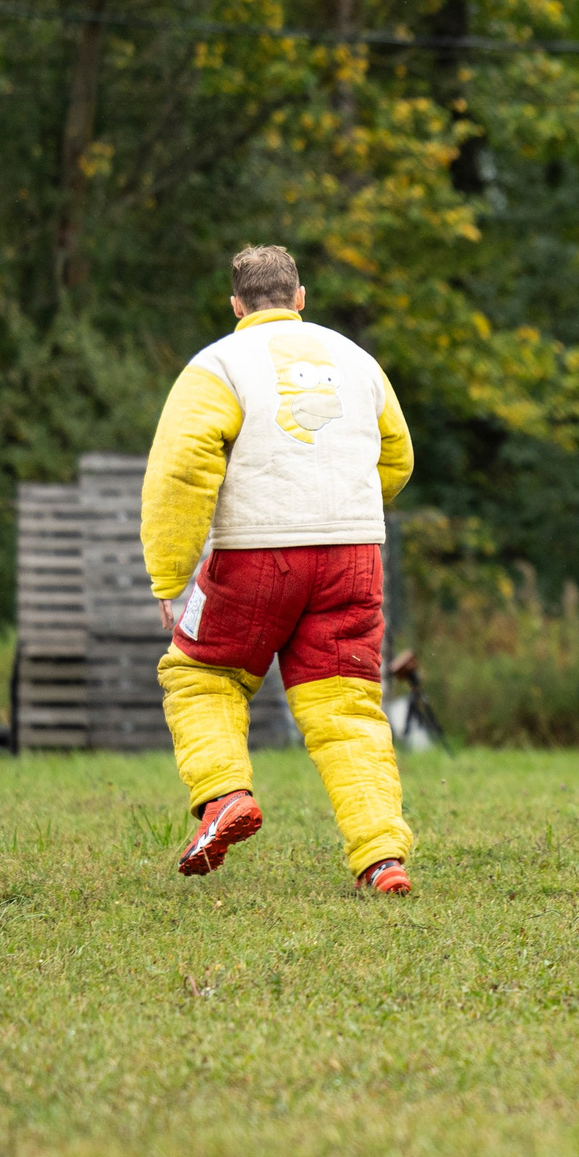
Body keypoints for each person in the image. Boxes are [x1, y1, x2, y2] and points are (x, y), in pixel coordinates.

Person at [140, 244, 418, 895]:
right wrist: (340, 506)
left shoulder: (216, 366)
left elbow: (182, 470)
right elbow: (397, 458)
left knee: (200, 674)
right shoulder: (357, 361)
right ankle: (382, 858)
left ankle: (223, 797)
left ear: (236, 305)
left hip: (255, 557)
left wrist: (170, 576)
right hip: (353, 555)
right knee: (347, 708)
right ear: (300, 298)